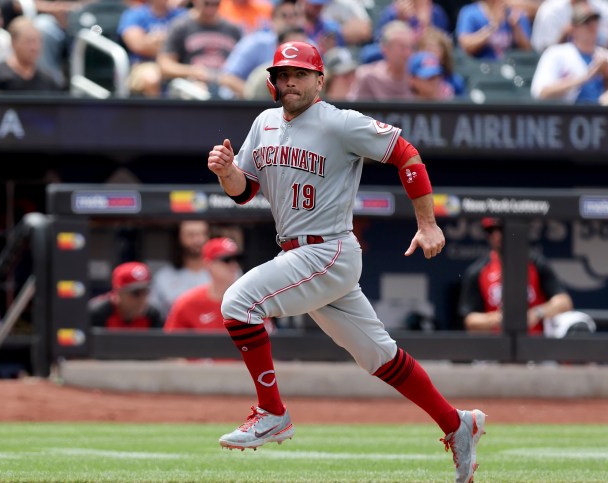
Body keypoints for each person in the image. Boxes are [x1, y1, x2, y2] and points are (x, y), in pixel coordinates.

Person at [206, 40, 486, 483]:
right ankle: (457, 424)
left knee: (238, 303)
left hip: (328, 248)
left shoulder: (339, 122)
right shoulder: (263, 124)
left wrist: (427, 223)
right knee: (379, 357)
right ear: (272, 82)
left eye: (300, 74)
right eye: (283, 74)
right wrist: (226, 172)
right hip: (298, 252)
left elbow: (406, 154)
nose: (290, 81)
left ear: (320, 80)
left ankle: (272, 411)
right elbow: (245, 191)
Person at [458, 217, 597, 338]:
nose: (496, 235)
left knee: (576, 320)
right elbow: (470, 321)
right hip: (495, 347)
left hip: (537, 345)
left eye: (500, 229)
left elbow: (564, 302)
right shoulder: (478, 271)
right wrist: (501, 318)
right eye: (490, 231)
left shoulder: (536, 263)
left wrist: (536, 313)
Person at [164, 237, 274, 333]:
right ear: (208, 264)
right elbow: (170, 348)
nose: (234, 265)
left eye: (236, 259)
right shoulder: (186, 302)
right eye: (227, 260)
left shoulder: (253, 302)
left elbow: (273, 348)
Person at [149, 219, 212, 319]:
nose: (197, 240)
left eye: (201, 234)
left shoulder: (223, 272)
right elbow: (153, 313)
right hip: (176, 332)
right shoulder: (163, 277)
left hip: (213, 333)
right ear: (179, 238)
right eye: (190, 235)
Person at [90, 261, 162, 330]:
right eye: (136, 293)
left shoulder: (153, 316)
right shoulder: (97, 313)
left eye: (146, 292)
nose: (143, 299)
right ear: (118, 292)